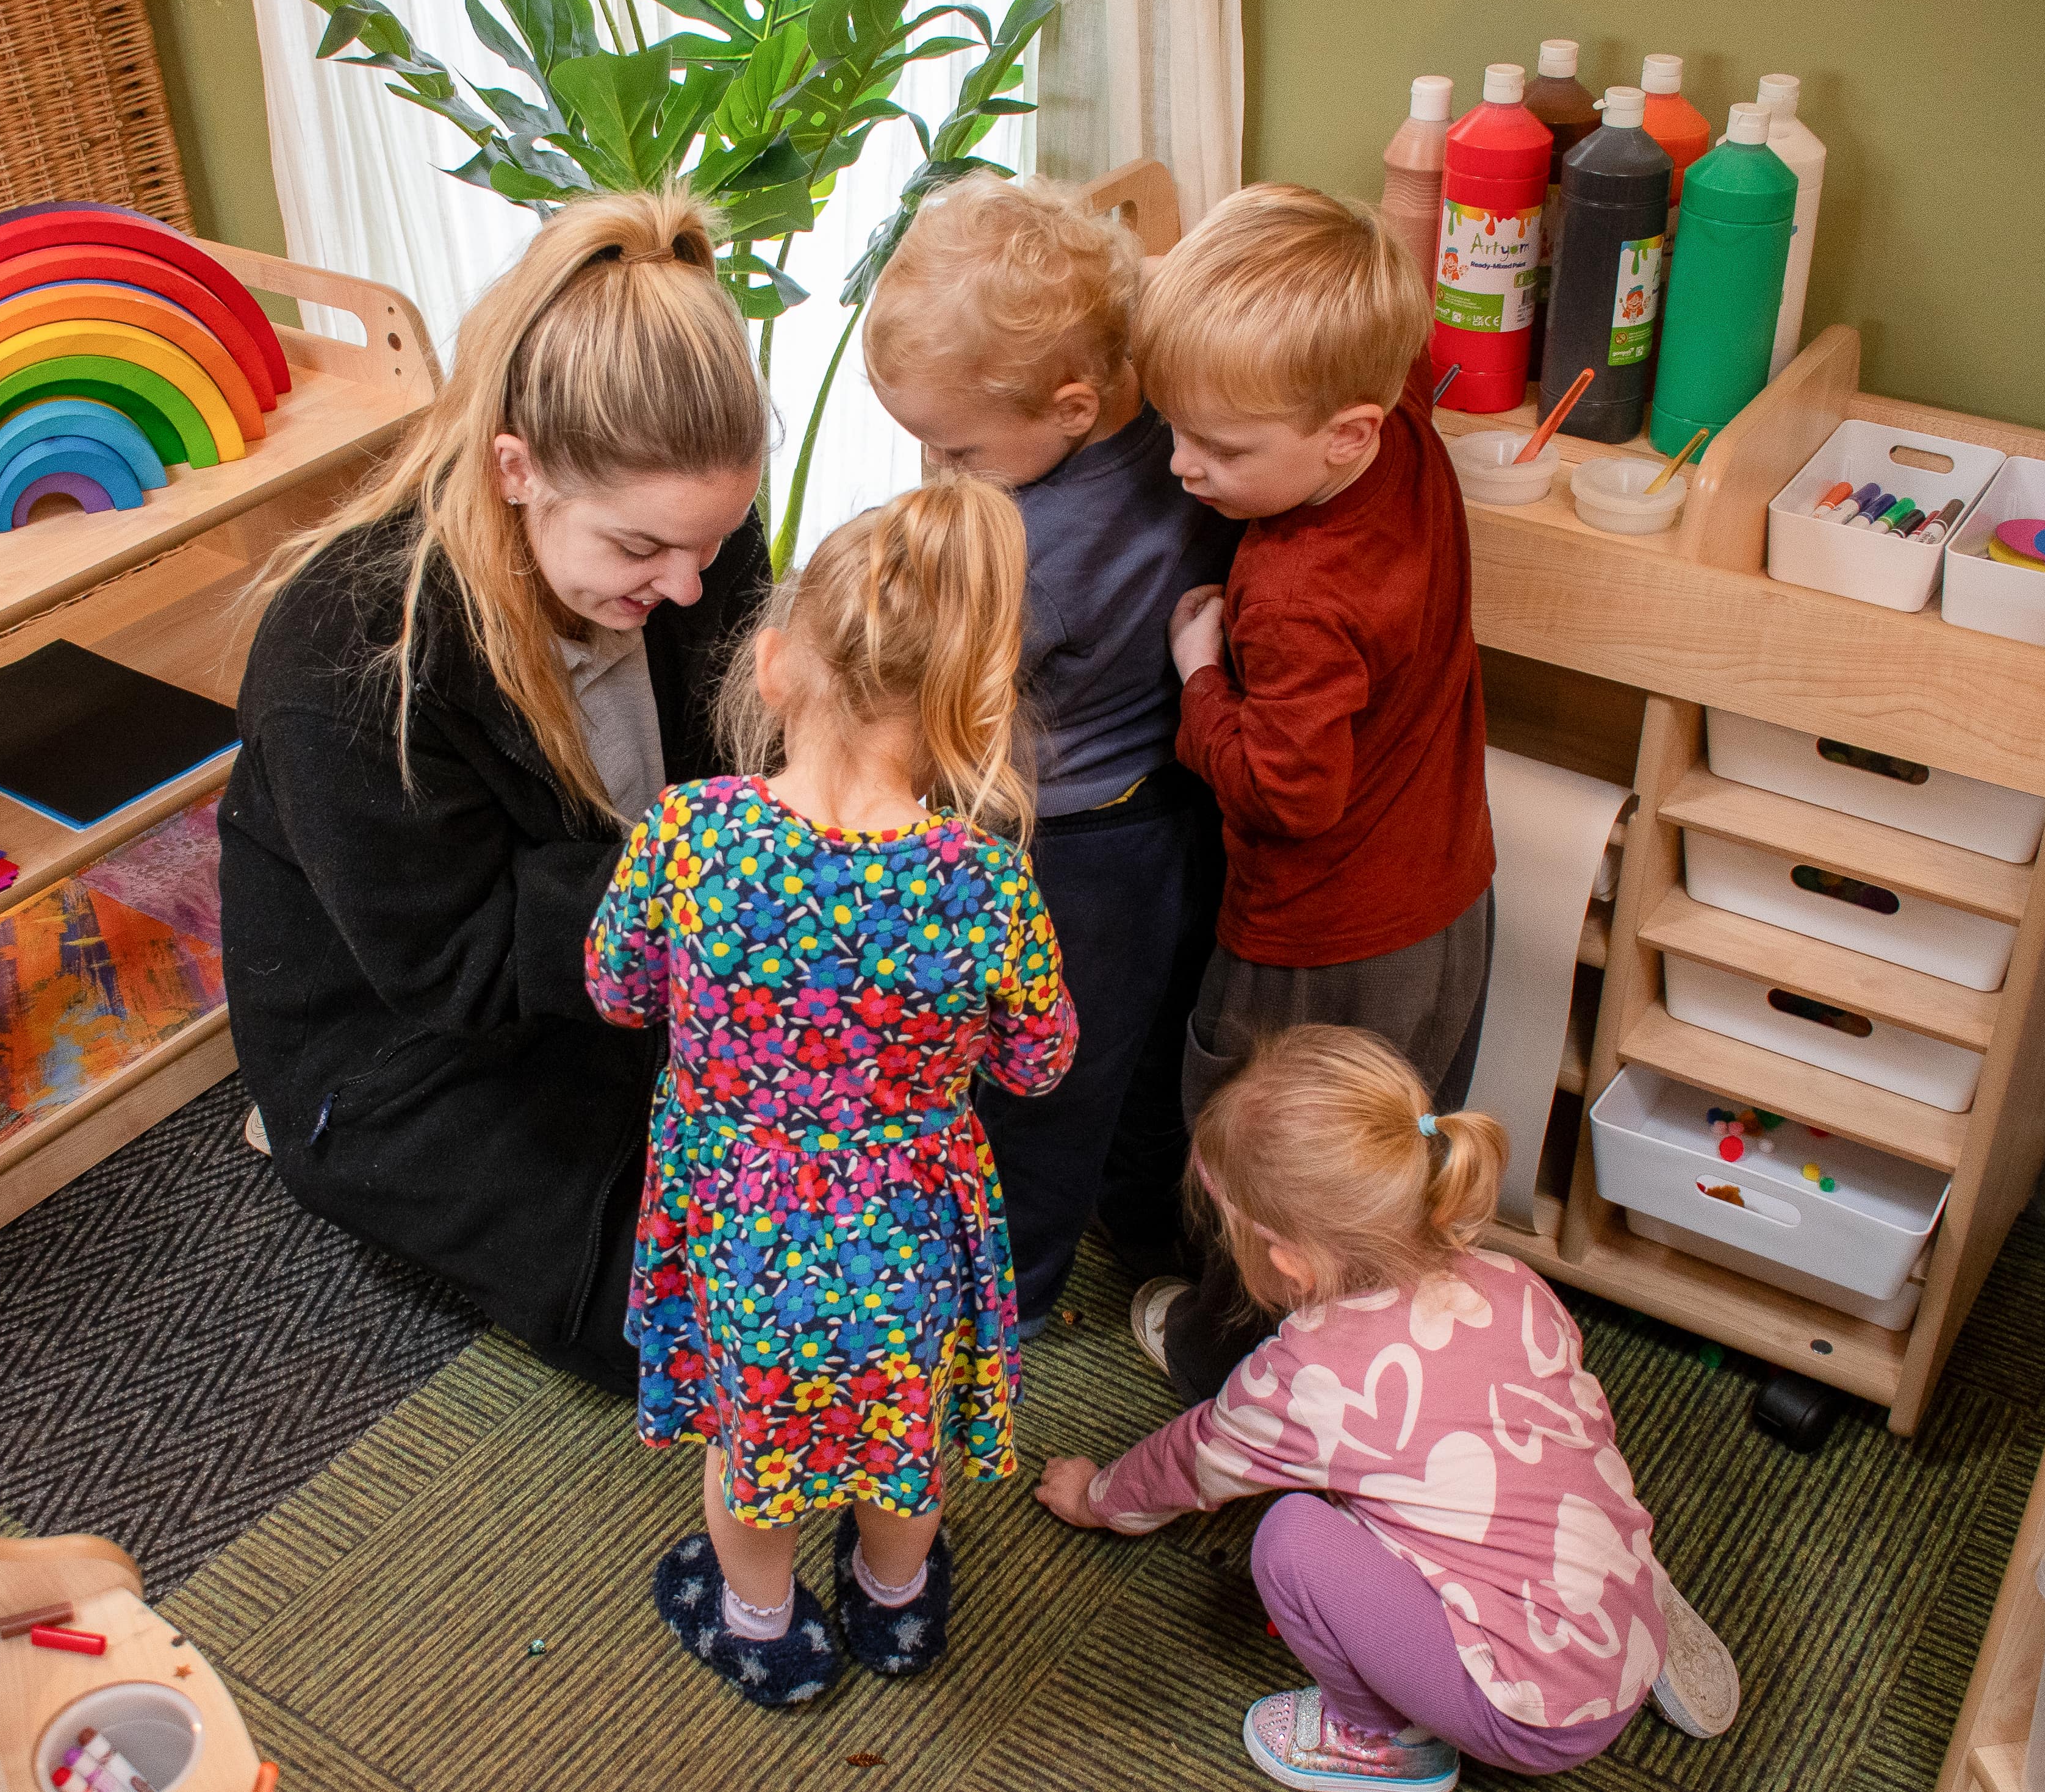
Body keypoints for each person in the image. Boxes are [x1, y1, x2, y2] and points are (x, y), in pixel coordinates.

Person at [218, 187, 771, 1391]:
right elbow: (463, 967)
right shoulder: (348, 657)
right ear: (517, 469)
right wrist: (733, 890)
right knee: (726, 1337)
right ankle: (305, 1137)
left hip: (622, 954)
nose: (689, 587)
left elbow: (750, 756)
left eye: (715, 542)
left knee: (879, 1212)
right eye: (640, 550)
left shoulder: (688, 535)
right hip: (416, 1044)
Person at [585, 476, 1078, 1707]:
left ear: (771, 668)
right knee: (900, 1444)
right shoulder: (986, 881)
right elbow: (1041, 1059)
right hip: (910, 1224)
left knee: (749, 1444)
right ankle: (896, 1605)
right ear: (971, 706)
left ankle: (763, 1621)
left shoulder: (688, 834)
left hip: (745, 1224)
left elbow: (616, 987)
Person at [1033, 1027, 1738, 1792]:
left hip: (1532, 1717)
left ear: (1287, 1257)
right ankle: (1631, 1592)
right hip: (1612, 1608)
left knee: (1292, 1538)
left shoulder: (1306, 1374)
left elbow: (1193, 1460)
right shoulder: (1508, 1280)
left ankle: (1381, 1739)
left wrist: (1099, 1498)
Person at [1131, 182, 1498, 1402]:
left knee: (1263, 1165)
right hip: (1448, 893)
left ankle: (1228, 1363)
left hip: (1317, 938)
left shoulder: (1290, 586)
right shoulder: (1404, 429)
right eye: (1172, 429)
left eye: (1223, 449)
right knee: (1388, 1156)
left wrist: (1200, 676)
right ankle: (1380, 1358)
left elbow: (1285, 794)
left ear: (1344, 431)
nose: (1183, 467)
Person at [863, 173, 1237, 1321]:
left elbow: (922, 689)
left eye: (956, 452)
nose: (939, 474)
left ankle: (1009, 1295)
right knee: (1130, 1057)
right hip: (1166, 816)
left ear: (1071, 405)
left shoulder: (1031, 552)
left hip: (1065, 850)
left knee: (1036, 1078)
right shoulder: (1183, 434)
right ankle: (1145, 1227)